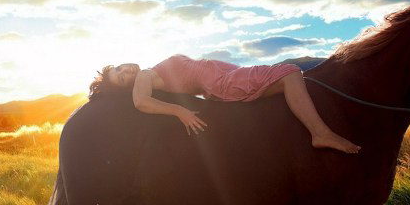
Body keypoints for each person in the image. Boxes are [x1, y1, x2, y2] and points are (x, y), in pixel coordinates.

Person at [90, 55, 360, 153]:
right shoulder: (145, 77)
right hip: (222, 83)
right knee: (290, 71)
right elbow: (141, 102)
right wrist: (180, 111)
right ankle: (320, 133)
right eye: (122, 78)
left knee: (288, 80)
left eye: (121, 68)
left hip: (224, 75)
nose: (127, 72)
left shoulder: (150, 69)